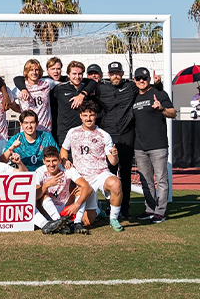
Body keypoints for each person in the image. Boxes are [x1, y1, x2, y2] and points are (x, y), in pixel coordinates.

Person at [72, 61, 163, 218]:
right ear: (108, 75)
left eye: (118, 73)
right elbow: (87, 84)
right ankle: (111, 207)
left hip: (127, 134)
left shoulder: (131, 86)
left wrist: (158, 84)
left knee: (126, 173)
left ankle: (125, 208)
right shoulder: (101, 88)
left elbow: (148, 89)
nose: (115, 76)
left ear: (122, 74)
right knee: (109, 173)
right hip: (107, 136)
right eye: (112, 73)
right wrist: (82, 94)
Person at [60, 101, 124, 232]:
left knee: (116, 184)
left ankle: (113, 218)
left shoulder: (104, 135)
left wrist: (115, 155)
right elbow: (63, 150)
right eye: (85, 115)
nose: (88, 118)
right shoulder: (72, 132)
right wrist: (65, 160)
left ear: (96, 116)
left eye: (91, 115)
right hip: (82, 178)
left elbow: (112, 162)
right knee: (87, 222)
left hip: (100, 174)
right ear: (80, 116)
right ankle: (98, 209)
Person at [131, 67, 176, 224]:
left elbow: (173, 113)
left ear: (149, 79)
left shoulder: (159, 94)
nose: (141, 81)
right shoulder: (134, 97)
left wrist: (161, 108)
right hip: (139, 146)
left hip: (158, 145)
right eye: (138, 78)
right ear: (134, 80)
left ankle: (160, 212)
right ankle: (150, 210)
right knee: (146, 181)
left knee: (161, 180)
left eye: (144, 78)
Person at [33, 146, 93, 234]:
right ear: (43, 161)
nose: (51, 164)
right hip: (47, 210)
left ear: (59, 160)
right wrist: (46, 185)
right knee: (43, 192)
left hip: (65, 207)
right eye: (48, 161)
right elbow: (33, 197)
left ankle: (77, 223)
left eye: (54, 160)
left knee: (80, 189)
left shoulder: (68, 170)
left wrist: (76, 205)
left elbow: (87, 188)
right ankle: (59, 223)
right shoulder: (39, 172)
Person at [10, 59, 60, 133]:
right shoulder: (18, 89)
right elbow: (10, 102)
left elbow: (63, 84)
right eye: (31, 70)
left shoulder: (47, 83)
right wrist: (21, 110)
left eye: (36, 70)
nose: (34, 72)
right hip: (27, 131)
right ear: (26, 72)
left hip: (45, 130)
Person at [52, 61, 95, 146]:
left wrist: (82, 95)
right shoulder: (59, 89)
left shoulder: (86, 88)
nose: (77, 77)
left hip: (84, 131)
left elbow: (93, 82)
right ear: (68, 74)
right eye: (74, 74)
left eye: (80, 74)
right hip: (65, 132)